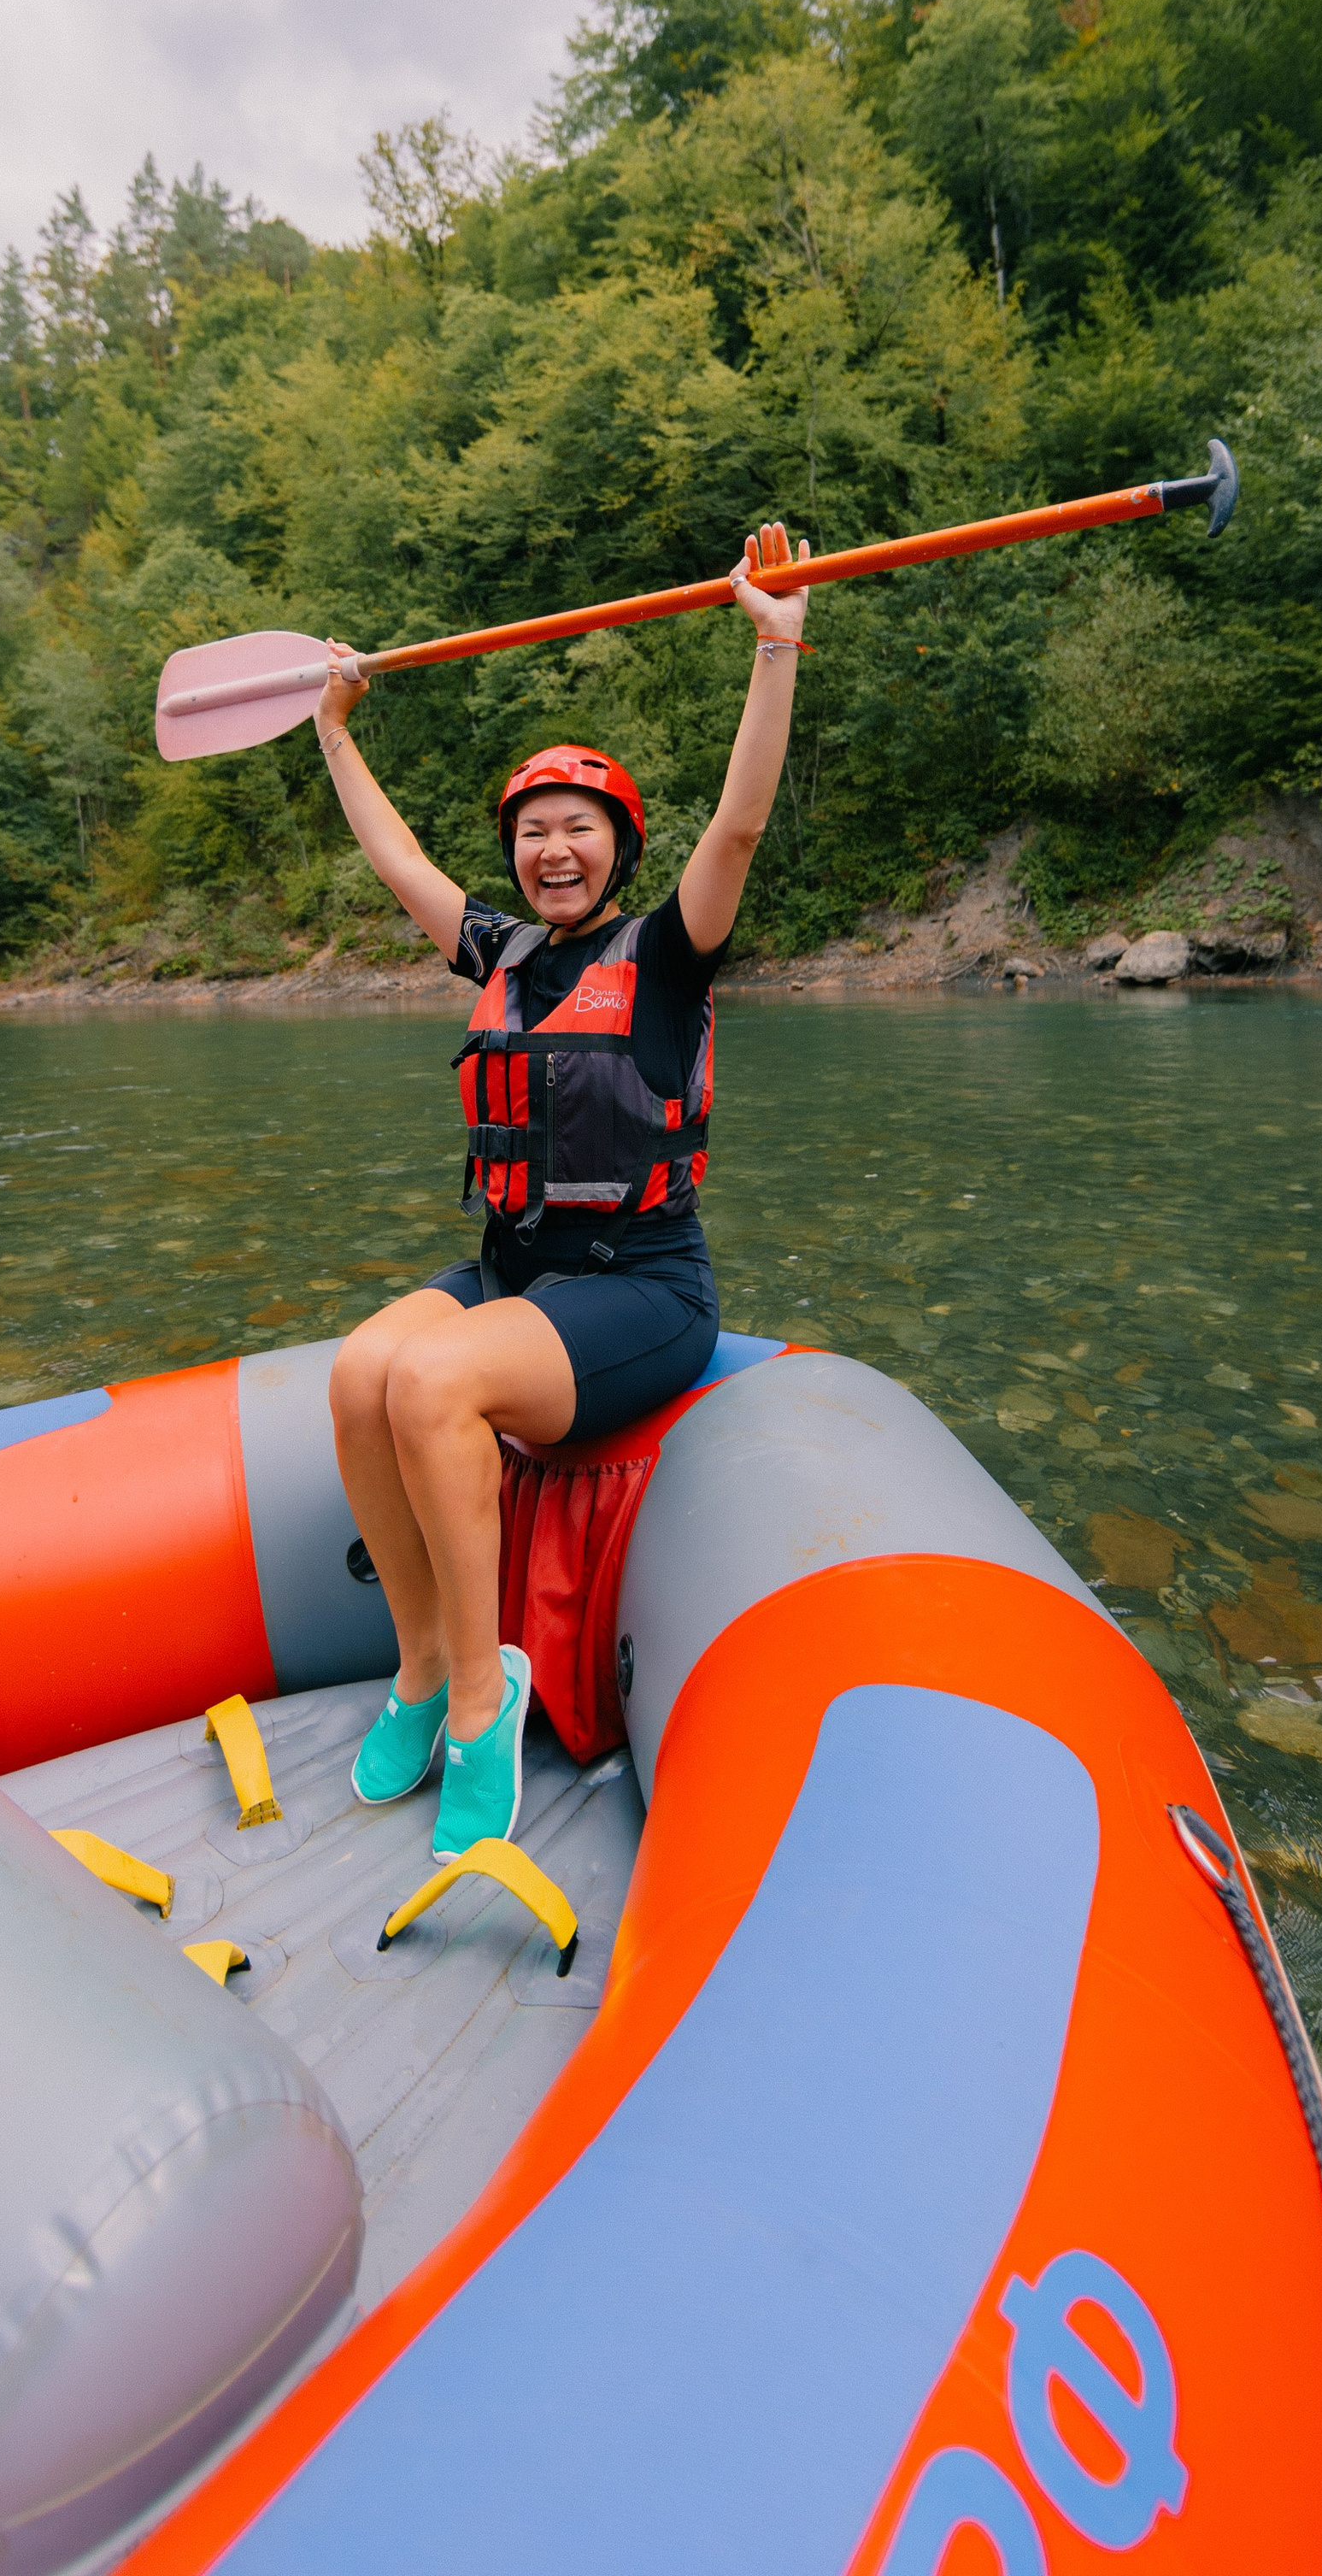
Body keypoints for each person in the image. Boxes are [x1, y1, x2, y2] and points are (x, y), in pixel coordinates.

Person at [314, 520, 812, 1863]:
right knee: (360, 1375)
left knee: (431, 1383)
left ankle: (487, 1704)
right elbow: (401, 865)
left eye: (577, 829)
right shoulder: (502, 952)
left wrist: (774, 646)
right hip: (519, 1269)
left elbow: (741, 822)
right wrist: (335, 732)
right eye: (533, 832)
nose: (552, 849)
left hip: (643, 1285)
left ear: (617, 848)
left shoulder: (669, 953)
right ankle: (425, 1664)